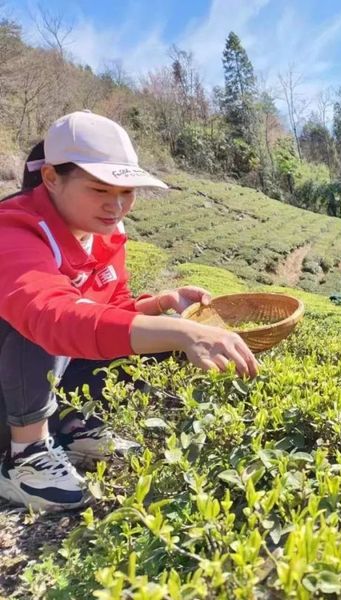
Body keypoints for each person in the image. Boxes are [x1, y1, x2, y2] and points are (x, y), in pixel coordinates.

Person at [0, 111, 259, 511]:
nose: (116, 206)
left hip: (45, 387)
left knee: (157, 332)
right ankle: (25, 455)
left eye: (127, 191)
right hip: (10, 397)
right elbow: (50, 315)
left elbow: (114, 310)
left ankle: (74, 425)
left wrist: (161, 305)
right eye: (100, 189)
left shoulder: (104, 234)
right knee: (44, 322)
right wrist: (181, 333)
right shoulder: (15, 228)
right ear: (51, 178)